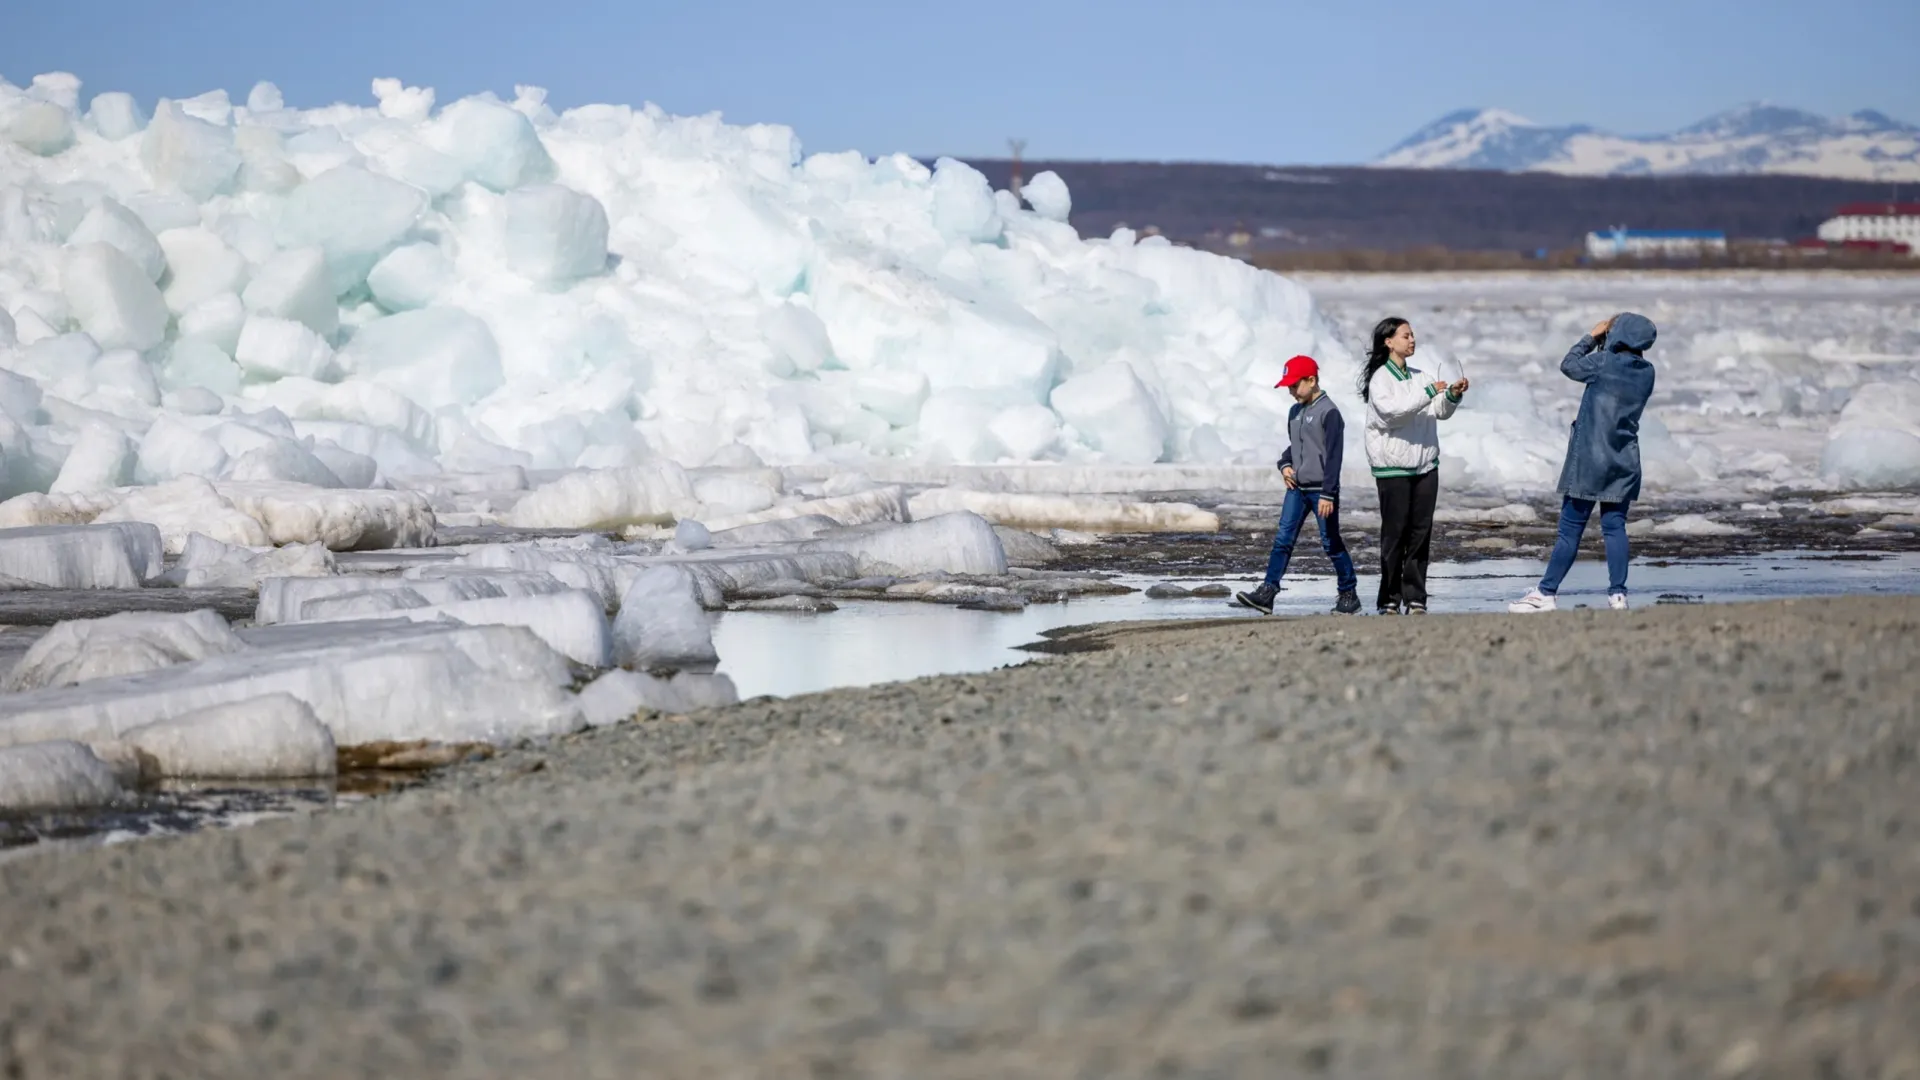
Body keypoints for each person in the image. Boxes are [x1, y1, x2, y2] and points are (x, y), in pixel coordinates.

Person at [1509, 312, 1659, 613]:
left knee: (1570, 530)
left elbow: (1569, 365)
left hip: (1590, 460)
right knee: (1614, 528)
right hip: (1624, 459)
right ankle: (1618, 595)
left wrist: (1591, 337)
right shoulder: (1647, 372)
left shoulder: (1604, 363)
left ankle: (1546, 593)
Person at [1235, 355, 1362, 615]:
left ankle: (1349, 592)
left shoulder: (1330, 413)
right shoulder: (1295, 411)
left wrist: (1329, 493)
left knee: (1330, 542)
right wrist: (1285, 465)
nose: (1291, 392)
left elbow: (1334, 456)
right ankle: (1267, 593)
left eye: (1295, 385)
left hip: (1322, 492)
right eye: (1289, 387)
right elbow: (1296, 447)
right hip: (1297, 489)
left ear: (1312, 380)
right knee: (1283, 539)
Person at [1360, 317, 1467, 615]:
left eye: (1413, 335)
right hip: (1393, 469)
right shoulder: (1381, 379)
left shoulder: (1421, 376)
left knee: (1421, 534)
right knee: (1395, 535)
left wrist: (1452, 395)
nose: (1412, 340)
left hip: (1425, 467)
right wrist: (1430, 392)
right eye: (1405, 336)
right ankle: (1389, 599)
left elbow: (1438, 411)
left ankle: (1416, 597)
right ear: (1389, 342)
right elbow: (1394, 413)